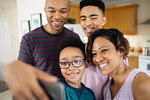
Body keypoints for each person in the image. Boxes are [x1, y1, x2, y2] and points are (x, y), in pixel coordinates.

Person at [18, 0, 80, 78]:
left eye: (63, 11)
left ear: (68, 11)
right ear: (45, 11)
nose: (57, 16)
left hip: (71, 90)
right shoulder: (29, 40)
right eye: (52, 11)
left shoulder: (74, 37)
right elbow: (23, 75)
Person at [86, 28, 150, 100]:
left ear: (121, 50)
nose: (97, 59)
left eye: (104, 50)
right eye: (94, 54)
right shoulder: (106, 89)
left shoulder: (141, 83)